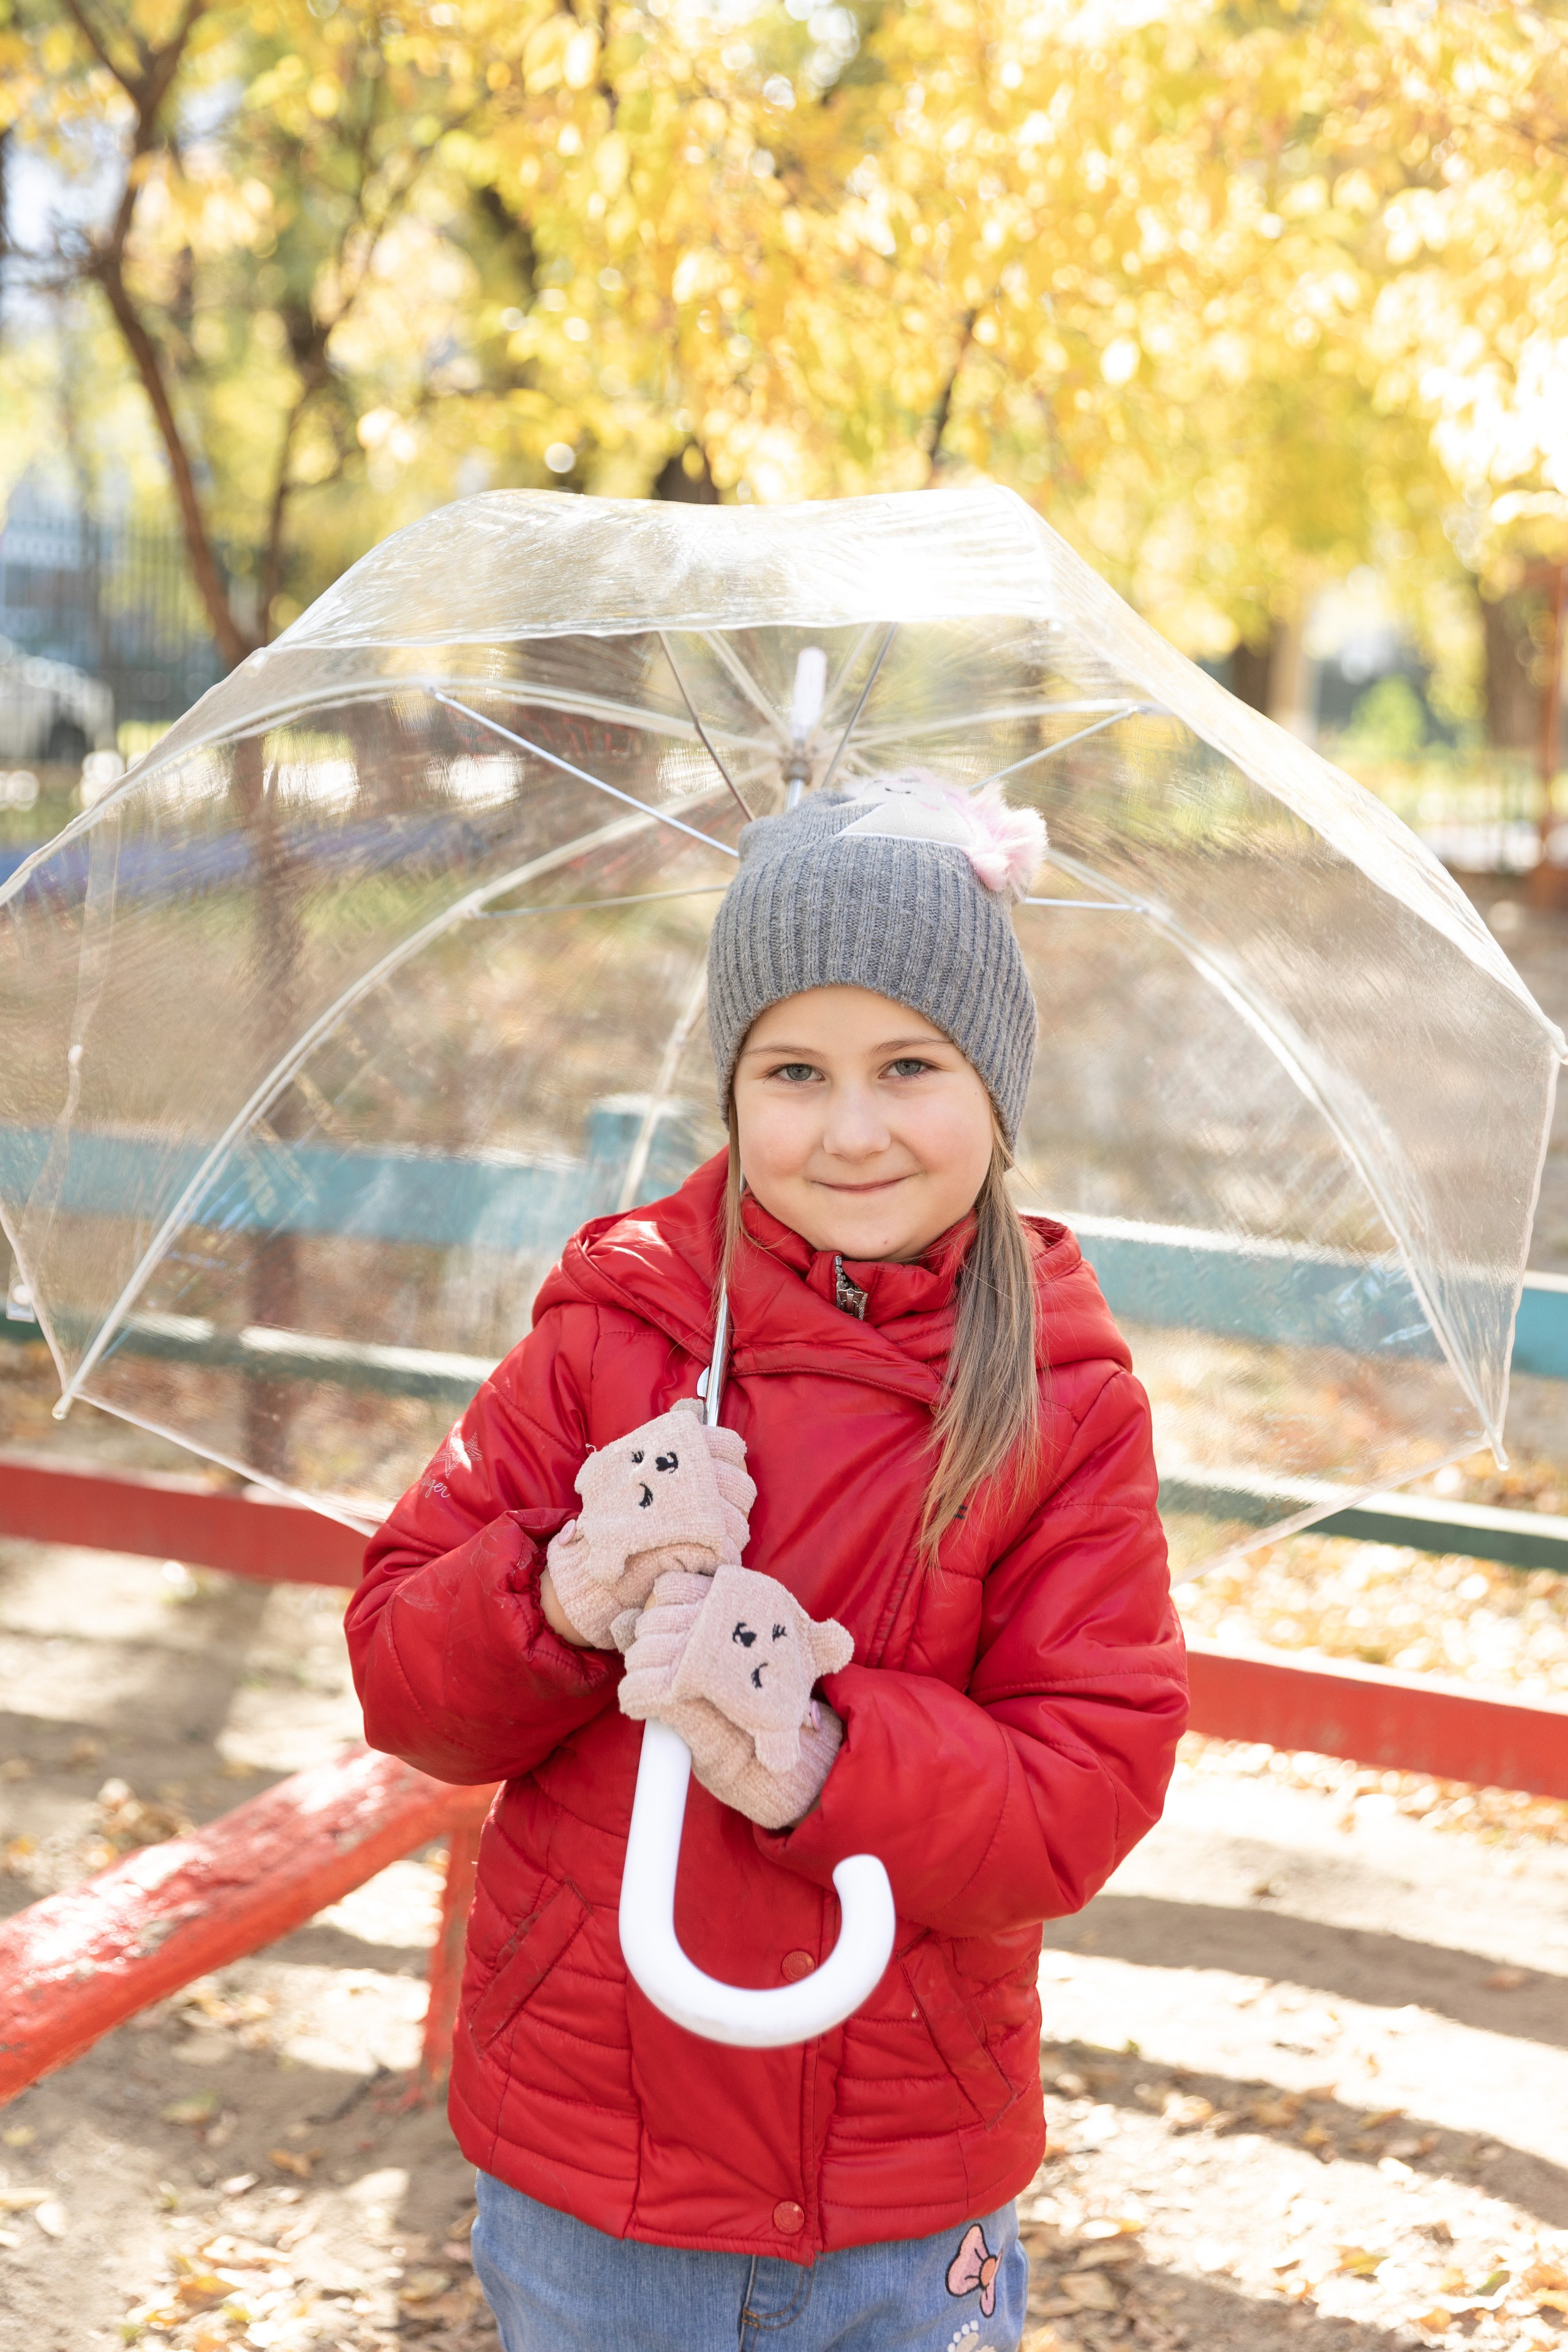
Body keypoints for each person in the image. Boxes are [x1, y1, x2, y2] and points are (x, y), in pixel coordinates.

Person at [345, 774, 1188, 2352]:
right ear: (729, 1090)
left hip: (898, 2167)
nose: (853, 1128)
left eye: (910, 1066)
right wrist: (564, 1585)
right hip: (594, 2159)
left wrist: (820, 1758)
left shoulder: (1065, 1401)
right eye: (792, 1069)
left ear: (996, 1085)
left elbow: (1088, 1783)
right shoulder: (614, 1336)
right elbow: (407, 1687)